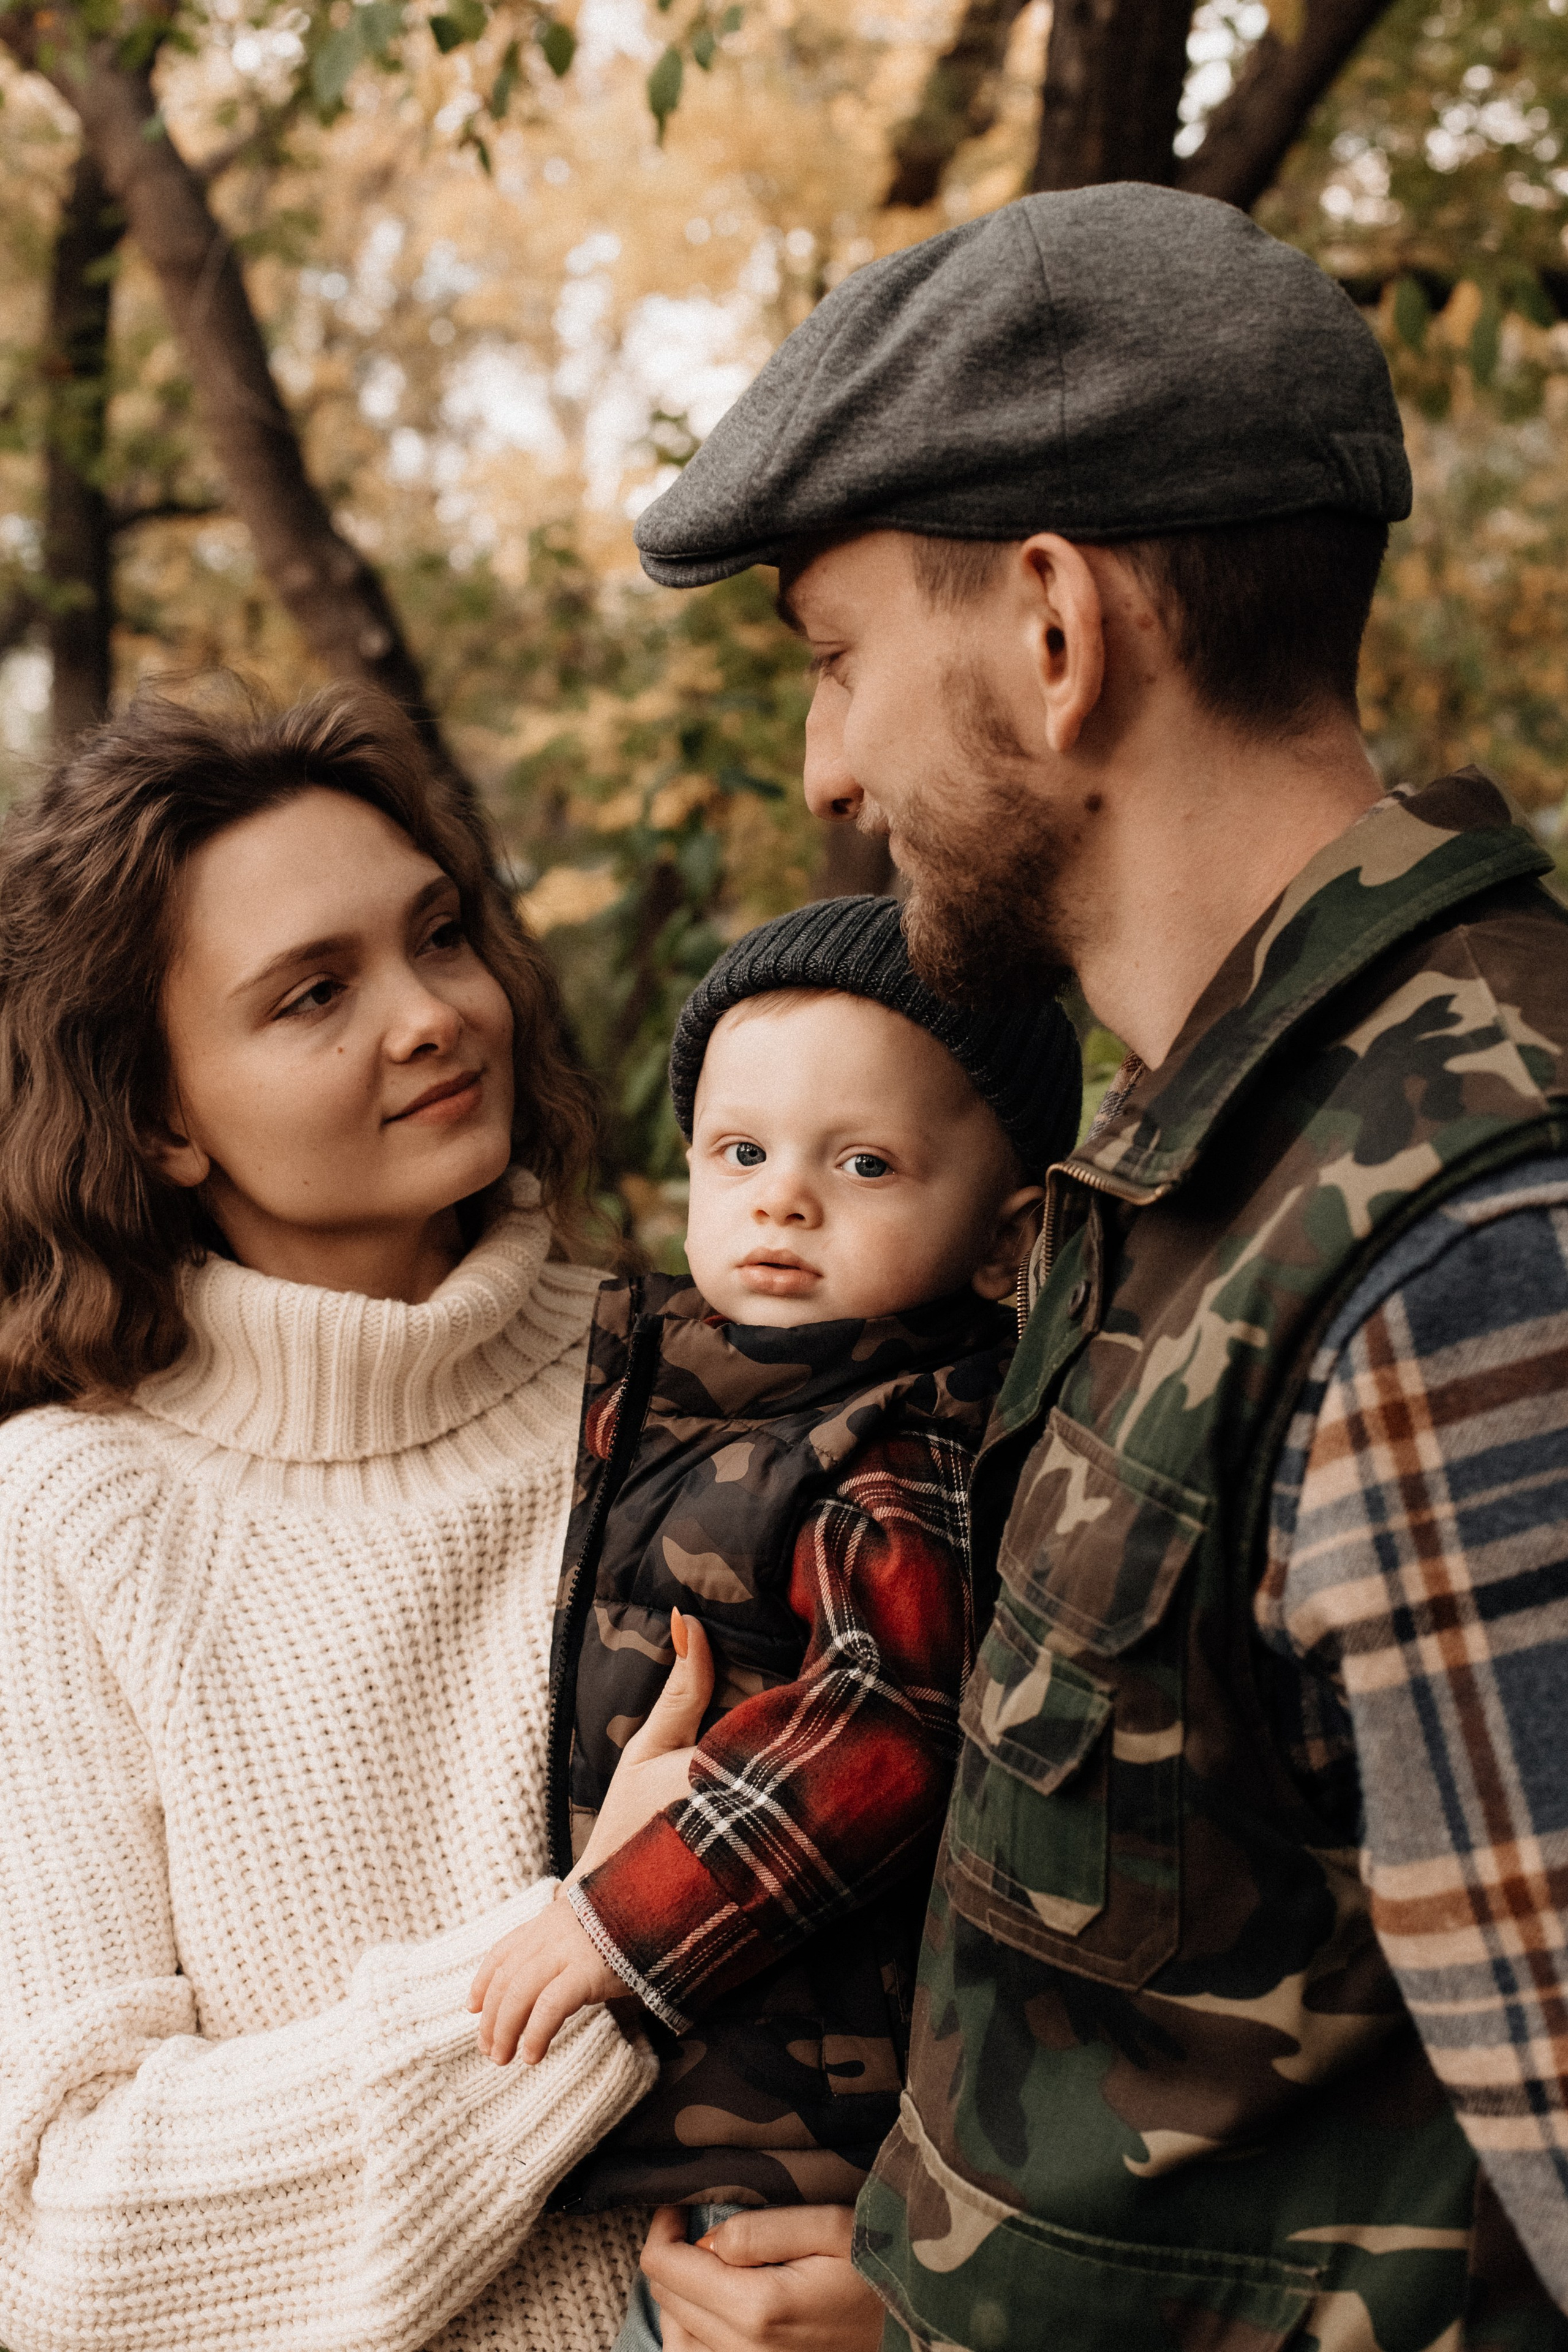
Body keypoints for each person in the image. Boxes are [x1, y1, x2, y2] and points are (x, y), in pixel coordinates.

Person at [619, 184, 1568, 2348]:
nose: (826, 769)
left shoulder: (1466, 1235)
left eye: (842, 662)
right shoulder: (1207, 1151)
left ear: (1055, 630)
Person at [0, 684, 687, 2352]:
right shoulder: (71, 1523)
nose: (437, 1013)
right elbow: (63, 2238)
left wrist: (890, 2264)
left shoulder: (702, 1390)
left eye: (440, 935)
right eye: (317, 992)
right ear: (160, 1115)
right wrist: (592, 1950)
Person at [464, 900, 1080, 2350]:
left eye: (860, 1164)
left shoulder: (898, 1436)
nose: (781, 1202)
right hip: (692, 2109)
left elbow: (889, 1723)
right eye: (740, 1154)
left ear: (1002, 1244)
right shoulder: (683, 1384)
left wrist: (621, 1915)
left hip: (800, 2129)